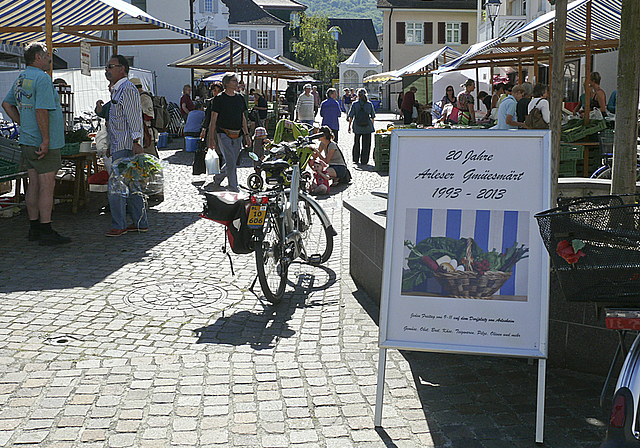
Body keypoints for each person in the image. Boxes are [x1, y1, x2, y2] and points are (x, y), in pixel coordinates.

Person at [1, 42, 70, 246]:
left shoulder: (22, 78)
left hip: (28, 139)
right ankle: (46, 229)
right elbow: (41, 110)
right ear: (38, 57)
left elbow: (7, 104)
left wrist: (22, 122)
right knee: (47, 185)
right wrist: (46, 139)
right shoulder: (42, 78)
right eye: (48, 54)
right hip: (42, 141)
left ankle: (34, 228)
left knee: (33, 184)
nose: (50, 57)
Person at [103, 54, 147, 236]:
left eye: (110, 66)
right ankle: (139, 222)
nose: (107, 70)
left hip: (126, 145)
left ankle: (119, 224)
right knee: (131, 184)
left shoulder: (127, 89)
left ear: (122, 69)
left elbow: (133, 117)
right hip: (120, 144)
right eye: (107, 66)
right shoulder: (117, 90)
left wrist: (136, 141)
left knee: (117, 187)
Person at [207, 72, 250, 192]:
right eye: (234, 81)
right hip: (223, 133)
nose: (237, 83)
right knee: (230, 160)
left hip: (238, 134)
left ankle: (218, 178)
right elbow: (213, 119)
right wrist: (211, 138)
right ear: (227, 83)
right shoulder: (219, 99)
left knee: (232, 161)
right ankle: (233, 187)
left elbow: (243, 117)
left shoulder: (240, 98)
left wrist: (247, 135)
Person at [130, 78, 158, 158]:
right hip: (142, 132)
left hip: (147, 132)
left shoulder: (144, 97)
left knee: (151, 158)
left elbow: (149, 115)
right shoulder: (138, 97)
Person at [348, 88, 375, 165]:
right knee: (366, 144)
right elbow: (372, 116)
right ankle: (364, 160)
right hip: (367, 127)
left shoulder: (355, 104)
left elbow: (351, 116)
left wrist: (349, 126)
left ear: (358, 95)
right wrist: (372, 126)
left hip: (357, 126)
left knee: (356, 143)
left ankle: (355, 158)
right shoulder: (369, 104)